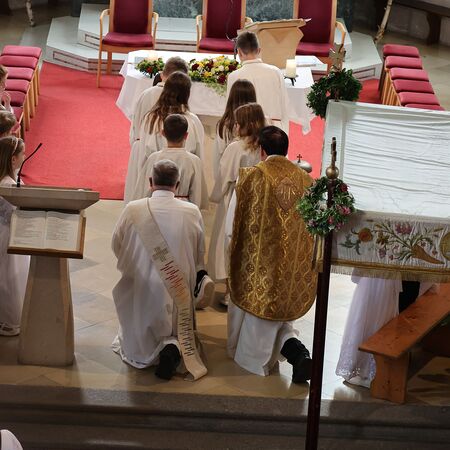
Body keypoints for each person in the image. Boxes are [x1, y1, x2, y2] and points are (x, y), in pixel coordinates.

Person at [225, 126, 317, 381]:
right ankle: (298, 354)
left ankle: (255, 360)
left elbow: (232, 226)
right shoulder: (307, 182)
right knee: (279, 316)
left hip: (257, 264)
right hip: (291, 267)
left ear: (262, 151)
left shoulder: (251, 177)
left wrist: (232, 252)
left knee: (257, 315)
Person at [112, 160, 213, 379]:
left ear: (150, 182)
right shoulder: (191, 211)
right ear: (177, 184)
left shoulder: (133, 209)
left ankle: (156, 348)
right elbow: (199, 253)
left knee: (137, 316)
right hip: (178, 288)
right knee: (176, 322)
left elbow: (116, 245)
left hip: (141, 286)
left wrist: (136, 262)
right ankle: (173, 346)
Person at [208, 103, 266, 304]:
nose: (234, 127)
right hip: (257, 199)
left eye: (238, 123)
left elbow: (225, 175)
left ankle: (230, 291)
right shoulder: (263, 146)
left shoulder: (236, 147)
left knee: (229, 241)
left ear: (246, 124)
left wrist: (215, 196)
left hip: (235, 197)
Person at [336, 276, 433, 387]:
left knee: (381, 316)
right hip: (383, 279)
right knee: (374, 315)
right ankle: (367, 367)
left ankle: (375, 368)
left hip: (393, 278)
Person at [124, 72, 205, 204]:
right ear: (187, 94)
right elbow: (198, 158)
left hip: (154, 192)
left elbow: (144, 157)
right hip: (183, 197)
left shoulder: (151, 118)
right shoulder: (193, 121)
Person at [132, 114, 208, 210]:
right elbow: (197, 193)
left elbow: (143, 190)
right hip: (183, 208)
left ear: (163, 133)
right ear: (186, 135)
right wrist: (194, 211)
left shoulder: (153, 158)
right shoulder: (194, 160)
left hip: (156, 206)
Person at [226, 31, 289, 133]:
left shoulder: (234, 76)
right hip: (274, 131)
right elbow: (284, 107)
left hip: (246, 132)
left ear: (239, 52)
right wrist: (284, 134)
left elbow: (231, 110)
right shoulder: (276, 72)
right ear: (259, 50)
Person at [0, 136, 29, 336]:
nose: (24, 156)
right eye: (22, 154)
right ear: (13, 159)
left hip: (2, 230)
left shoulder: (5, 179)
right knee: (10, 278)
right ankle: (10, 320)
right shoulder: (9, 185)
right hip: (10, 235)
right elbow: (16, 212)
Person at [129, 56, 189, 146]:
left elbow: (136, 123)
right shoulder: (182, 95)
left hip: (144, 144)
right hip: (175, 147)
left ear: (161, 74)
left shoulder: (146, 94)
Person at [213, 79, 257, 178]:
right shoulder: (258, 123)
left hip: (231, 176)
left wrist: (218, 179)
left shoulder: (224, 125)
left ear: (232, 98)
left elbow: (218, 157)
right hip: (253, 176)